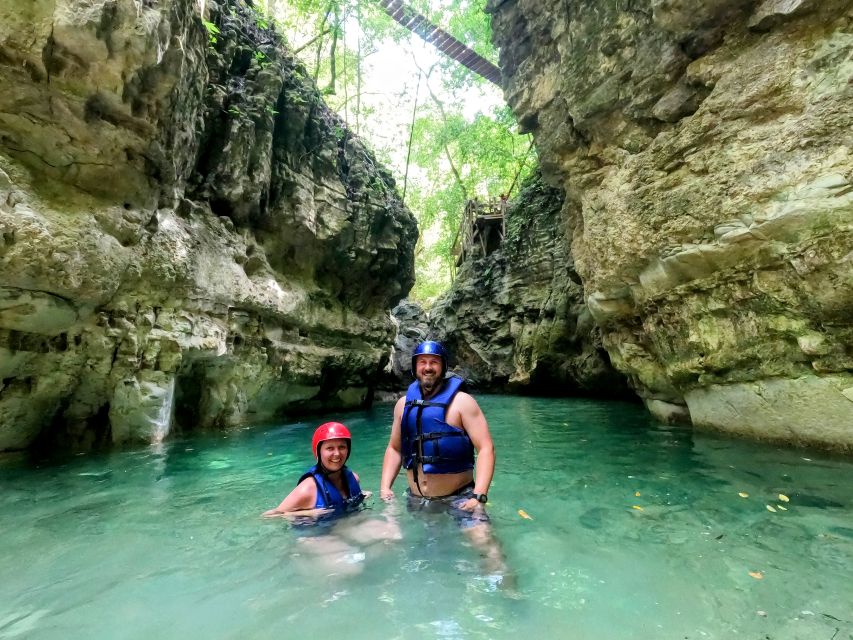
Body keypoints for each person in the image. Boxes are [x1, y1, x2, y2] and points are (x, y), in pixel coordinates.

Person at [380, 340, 495, 517]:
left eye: (434, 362)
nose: (428, 367)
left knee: (482, 541)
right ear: (414, 366)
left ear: (443, 367)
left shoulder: (463, 402)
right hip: (415, 500)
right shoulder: (402, 405)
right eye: (422, 362)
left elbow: (486, 448)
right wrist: (385, 487)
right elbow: (394, 449)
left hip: (460, 498)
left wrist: (478, 496)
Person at [263, 422, 365, 516]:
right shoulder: (307, 489)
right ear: (318, 452)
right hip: (316, 533)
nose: (337, 453)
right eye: (330, 448)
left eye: (342, 447)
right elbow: (270, 515)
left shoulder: (354, 478)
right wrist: (309, 512)